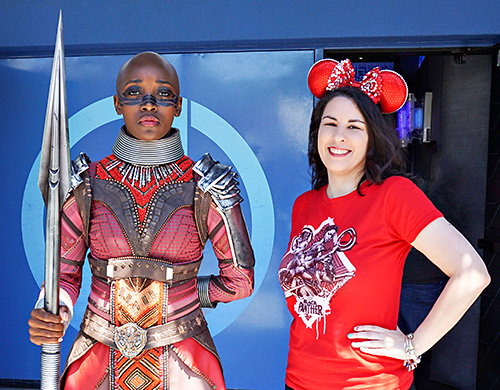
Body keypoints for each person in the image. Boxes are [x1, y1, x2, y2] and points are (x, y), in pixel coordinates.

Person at [28, 51, 254, 390]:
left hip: (183, 363)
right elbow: (63, 273)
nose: (149, 104)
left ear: (177, 106)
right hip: (98, 357)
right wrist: (54, 309)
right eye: (134, 93)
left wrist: (190, 293)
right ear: (117, 103)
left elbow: (240, 280)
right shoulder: (85, 185)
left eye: (163, 94)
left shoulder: (207, 186)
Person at [278, 58, 490, 390]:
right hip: (299, 380)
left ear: (372, 138)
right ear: (316, 131)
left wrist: (412, 346)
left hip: (370, 383)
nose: (339, 136)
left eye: (354, 127)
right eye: (330, 123)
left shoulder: (394, 195)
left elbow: (472, 273)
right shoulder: (304, 205)